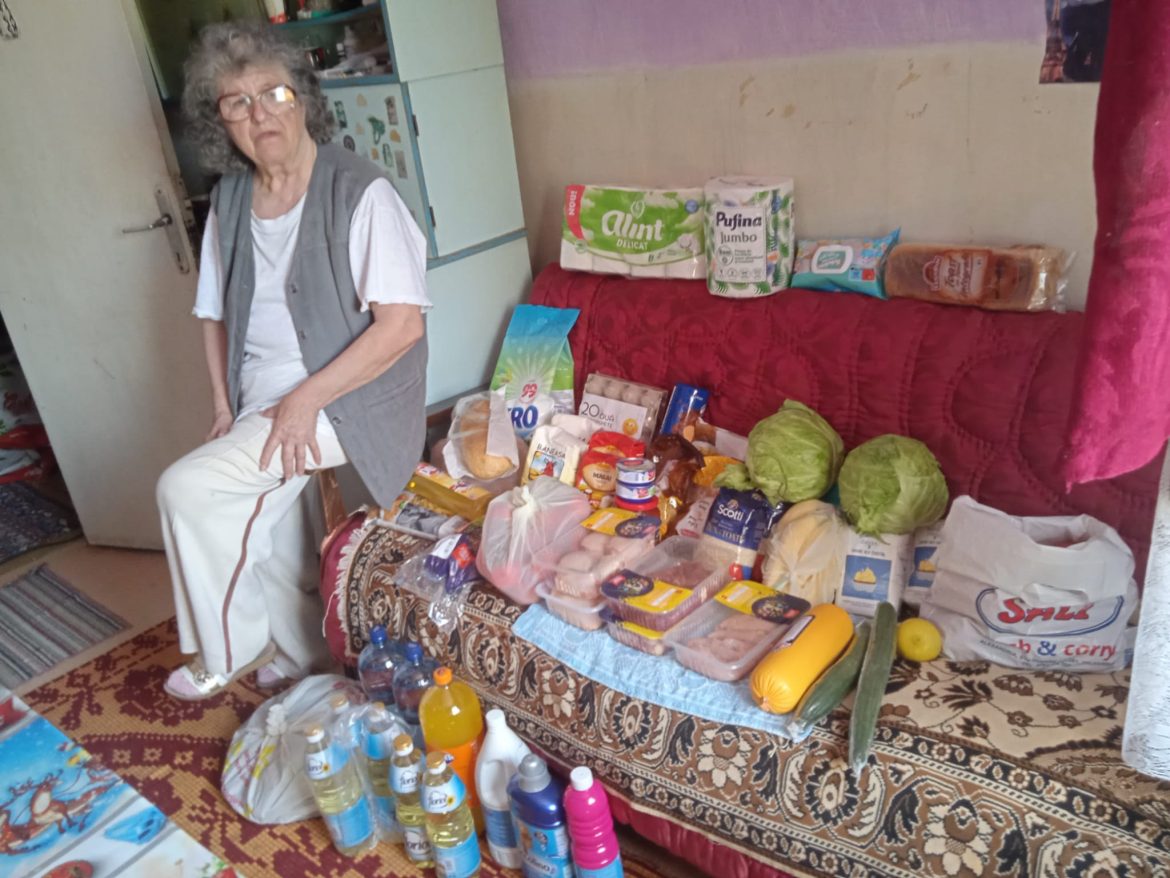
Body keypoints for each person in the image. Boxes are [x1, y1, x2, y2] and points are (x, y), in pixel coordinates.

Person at [157, 21, 430, 700]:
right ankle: (301, 653)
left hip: (351, 394)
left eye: (274, 93)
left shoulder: (359, 190)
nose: (261, 114)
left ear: (302, 98)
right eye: (238, 102)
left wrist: (306, 399)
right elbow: (214, 313)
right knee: (271, 522)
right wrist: (222, 404)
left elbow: (401, 326)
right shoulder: (230, 197)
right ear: (220, 121)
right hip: (262, 391)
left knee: (187, 489)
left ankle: (227, 647)